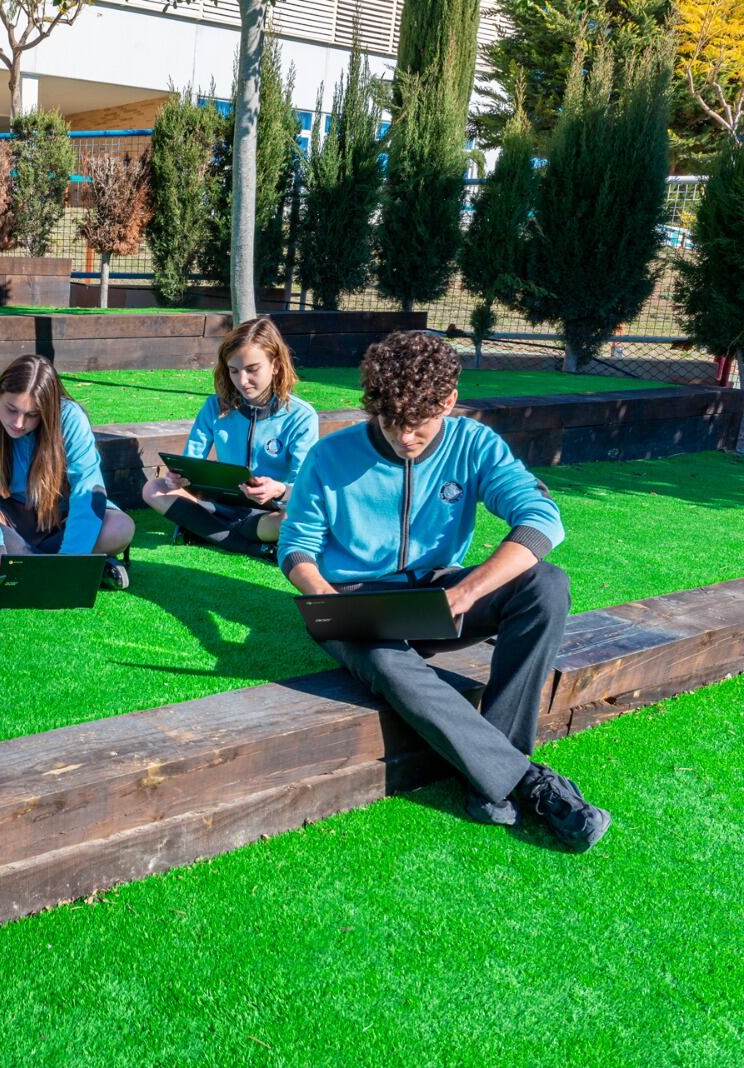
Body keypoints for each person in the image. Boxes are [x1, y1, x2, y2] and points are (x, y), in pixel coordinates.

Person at [278, 330, 610, 850]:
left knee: (548, 584)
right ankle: (522, 782)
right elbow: (296, 547)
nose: (405, 436)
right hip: (357, 601)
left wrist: (464, 593)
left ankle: (492, 769)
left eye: (420, 423)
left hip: (441, 594)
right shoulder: (329, 456)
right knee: (387, 663)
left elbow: (542, 519)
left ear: (449, 402)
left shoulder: (475, 444)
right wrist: (326, 598)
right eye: (390, 421)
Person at [0, 353, 135, 588]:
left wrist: (70, 561)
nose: (18, 423)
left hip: (63, 518)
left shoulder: (71, 418)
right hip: (12, 518)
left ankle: (39, 560)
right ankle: (90, 563)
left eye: (33, 415)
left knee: (121, 528)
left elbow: (88, 491)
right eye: (11, 409)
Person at [141, 317, 319, 559]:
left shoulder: (301, 417)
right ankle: (256, 547)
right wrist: (177, 477)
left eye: (252, 369)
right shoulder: (215, 406)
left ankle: (202, 532)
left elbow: (304, 487)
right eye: (234, 371)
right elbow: (190, 460)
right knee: (154, 488)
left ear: (275, 365)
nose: (242, 381)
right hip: (214, 505)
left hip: (268, 514)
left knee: (292, 519)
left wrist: (278, 490)